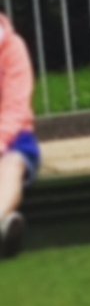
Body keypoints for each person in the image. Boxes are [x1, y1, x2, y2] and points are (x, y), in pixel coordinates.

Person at [0, 13, 38, 259]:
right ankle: (6, 224)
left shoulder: (13, 48)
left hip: (13, 136)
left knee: (12, 165)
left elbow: (16, 108)